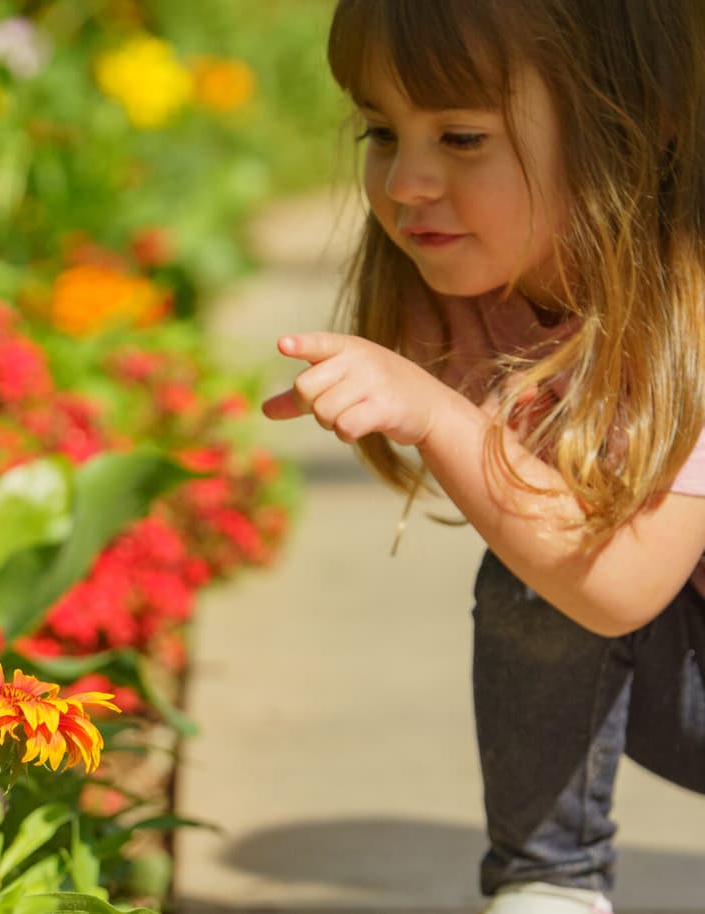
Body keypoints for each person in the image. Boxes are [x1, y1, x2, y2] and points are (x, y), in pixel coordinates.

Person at [261, 1, 705, 912]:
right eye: (382, 131)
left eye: (462, 136)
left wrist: (441, 418)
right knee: (530, 574)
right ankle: (549, 884)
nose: (408, 180)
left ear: (630, 123)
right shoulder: (473, 290)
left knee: (559, 562)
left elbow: (619, 583)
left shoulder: (690, 309)